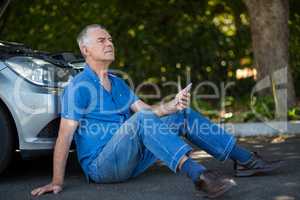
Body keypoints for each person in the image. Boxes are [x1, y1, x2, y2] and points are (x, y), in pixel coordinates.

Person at [31, 24, 284, 199]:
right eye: (102, 40)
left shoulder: (118, 82)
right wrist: (56, 181)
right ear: (86, 50)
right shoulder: (78, 87)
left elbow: (146, 112)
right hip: (101, 167)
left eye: (110, 39)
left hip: (129, 158)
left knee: (181, 114)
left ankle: (245, 160)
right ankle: (200, 176)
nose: (109, 43)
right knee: (140, 120)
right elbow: (64, 136)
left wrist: (172, 106)